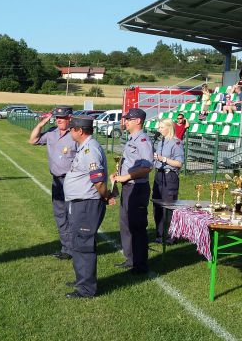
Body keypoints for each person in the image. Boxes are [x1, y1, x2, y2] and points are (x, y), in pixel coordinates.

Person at [63, 117, 113, 299]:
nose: (70, 132)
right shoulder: (85, 147)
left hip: (87, 203)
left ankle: (86, 289)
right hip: (80, 202)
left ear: (80, 131)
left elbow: (98, 180)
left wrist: (105, 195)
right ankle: (81, 280)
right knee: (78, 242)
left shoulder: (90, 149)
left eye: (71, 129)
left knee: (84, 244)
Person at [29, 106, 78, 260]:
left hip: (72, 181)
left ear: (70, 118)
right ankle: (66, 248)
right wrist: (40, 125)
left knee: (74, 216)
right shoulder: (51, 133)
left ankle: (78, 247)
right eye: (57, 118)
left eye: (62, 118)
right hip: (57, 181)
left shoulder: (76, 134)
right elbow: (33, 140)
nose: (58, 121)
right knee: (60, 215)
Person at [110, 108, 153, 274]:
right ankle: (130, 259)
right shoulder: (132, 138)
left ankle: (140, 265)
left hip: (137, 187)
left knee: (137, 226)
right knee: (126, 224)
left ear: (138, 121)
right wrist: (119, 174)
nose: (125, 121)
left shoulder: (142, 140)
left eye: (129, 119)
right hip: (129, 186)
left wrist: (125, 177)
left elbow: (147, 167)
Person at [152, 119, 184, 244]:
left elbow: (179, 163)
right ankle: (160, 234)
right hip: (159, 176)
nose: (159, 130)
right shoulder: (160, 142)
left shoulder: (176, 143)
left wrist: (164, 159)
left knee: (168, 207)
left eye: (161, 127)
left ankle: (170, 236)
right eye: (159, 127)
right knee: (157, 206)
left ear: (169, 128)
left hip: (169, 176)